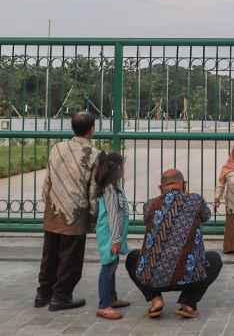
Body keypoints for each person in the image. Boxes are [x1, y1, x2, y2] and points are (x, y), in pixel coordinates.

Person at [126, 169, 222, 319]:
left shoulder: (150, 205)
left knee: (133, 257)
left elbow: (147, 220)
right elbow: (206, 216)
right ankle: (188, 302)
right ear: (184, 185)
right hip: (189, 278)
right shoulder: (196, 201)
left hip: (153, 279)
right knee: (214, 259)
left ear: (160, 187)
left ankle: (156, 300)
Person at [36, 112, 100, 311]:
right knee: (70, 257)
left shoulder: (57, 148)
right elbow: (93, 188)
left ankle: (43, 295)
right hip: (75, 211)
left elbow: (48, 180)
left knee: (50, 254)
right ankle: (61, 297)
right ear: (92, 130)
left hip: (54, 207)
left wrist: (47, 202)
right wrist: (93, 213)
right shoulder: (93, 153)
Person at [94, 152, 130, 320]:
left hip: (113, 233)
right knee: (107, 267)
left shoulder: (114, 186)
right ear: (119, 168)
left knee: (112, 265)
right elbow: (113, 215)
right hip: (109, 234)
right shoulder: (109, 189)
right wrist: (115, 239)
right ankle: (104, 305)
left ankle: (112, 298)